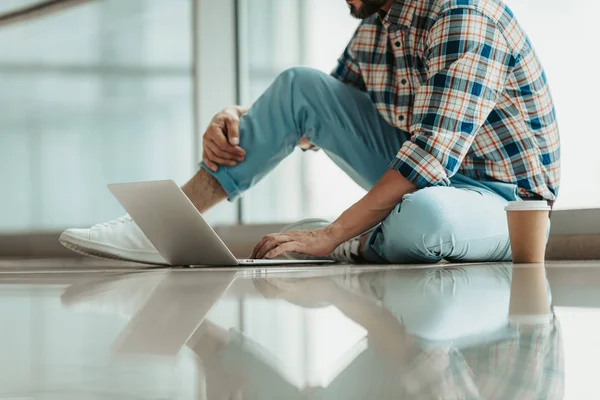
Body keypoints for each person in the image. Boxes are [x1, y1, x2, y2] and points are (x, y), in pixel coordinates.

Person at [60, 0, 560, 264]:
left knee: (424, 220)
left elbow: (428, 159)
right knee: (300, 84)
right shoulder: (380, 27)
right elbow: (309, 116)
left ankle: (349, 239)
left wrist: (330, 233)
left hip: (505, 203)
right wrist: (236, 117)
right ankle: (162, 227)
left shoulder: (462, 16)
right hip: (427, 177)